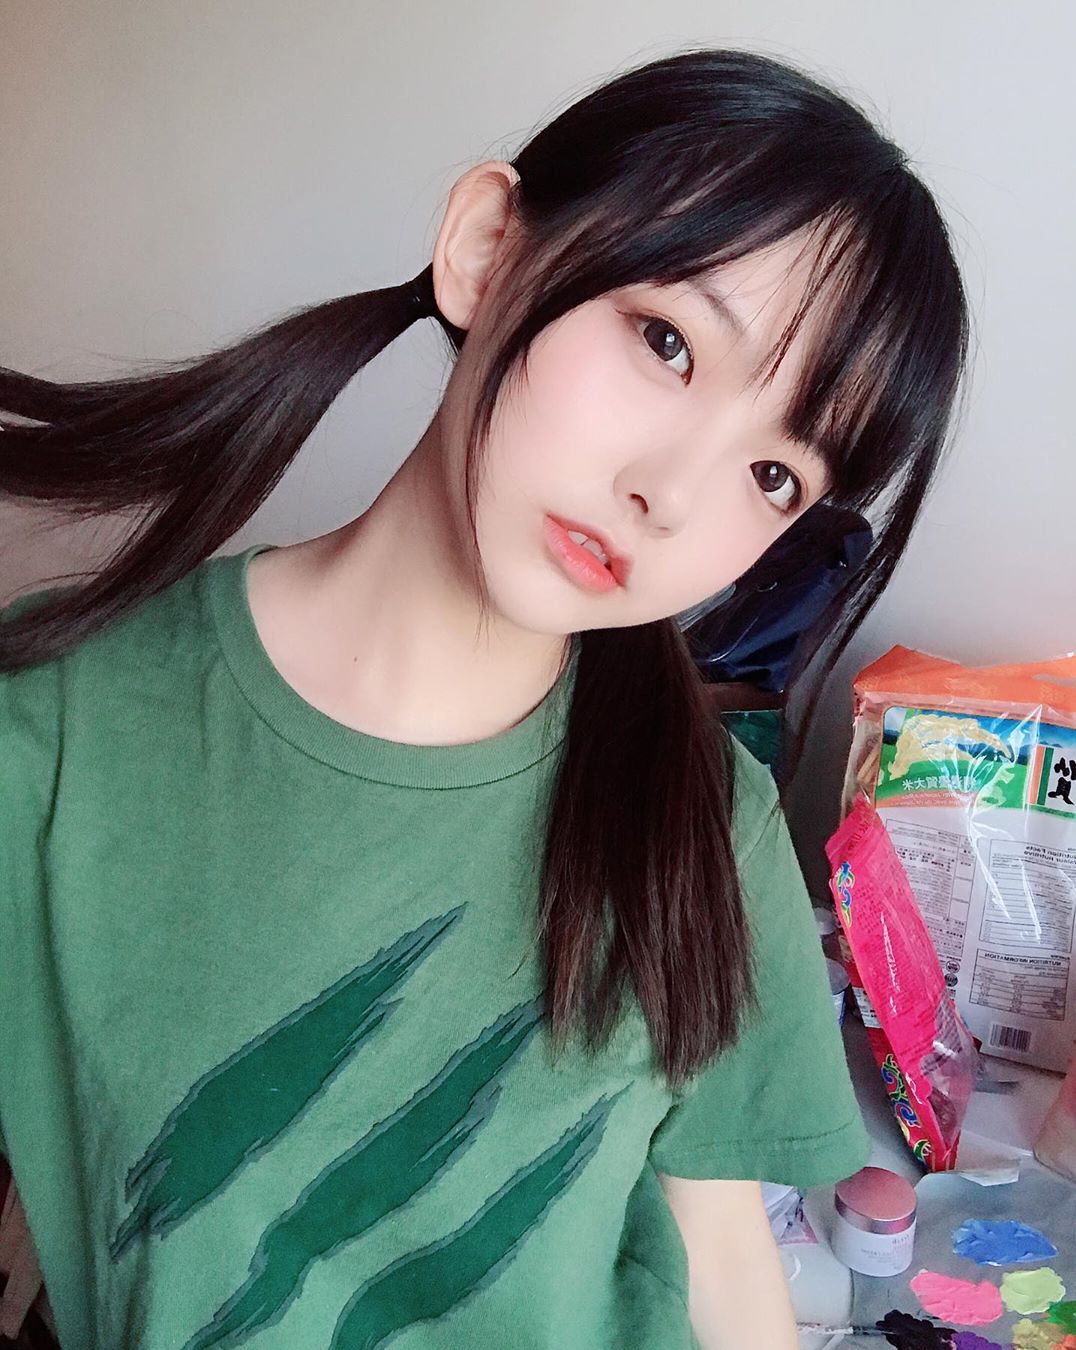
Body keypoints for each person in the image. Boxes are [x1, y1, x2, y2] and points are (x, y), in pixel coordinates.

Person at [0, 45, 970, 1350]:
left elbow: (722, 1257)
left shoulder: (707, 824)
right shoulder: (61, 720)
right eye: (668, 342)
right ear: (485, 248)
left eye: (775, 476)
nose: (672, 494)